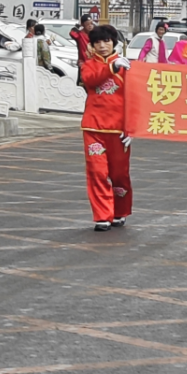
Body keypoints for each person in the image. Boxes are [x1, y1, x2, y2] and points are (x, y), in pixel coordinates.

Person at [79, 24, 133, 231]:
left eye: (106, 41)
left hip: (119, 130)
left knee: (119, 175)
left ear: (114, 43)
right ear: (92, 46)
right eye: (97, 43)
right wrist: (112, 67)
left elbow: (136, 99)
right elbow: (91, 80)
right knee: (97, 172)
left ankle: (120, 211)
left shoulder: (127, 67)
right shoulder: (89, 65)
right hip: (94, 128)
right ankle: (102, 215)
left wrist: (133, 129)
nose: (102, 46)